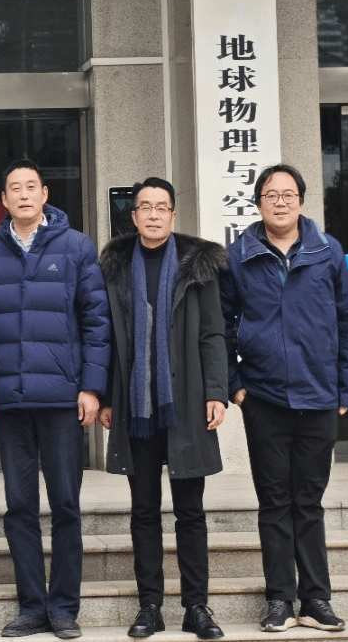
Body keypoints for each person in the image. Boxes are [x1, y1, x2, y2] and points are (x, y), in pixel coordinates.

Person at [0, 159, 111, 639]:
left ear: (45, 194)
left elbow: (96, 321)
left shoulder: (76, 247)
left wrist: (91, 387)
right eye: (15, 188)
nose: (24, 194)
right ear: (4, 200)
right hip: (9, 401)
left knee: (66, 504)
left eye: (31, 186)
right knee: (19, 507)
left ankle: (64, 608)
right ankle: (32, 606)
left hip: (61, 399)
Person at [220, 164, 348, 634]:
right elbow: (222, 323)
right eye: (270, 195)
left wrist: (344, 387)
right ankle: (279, 598)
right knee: (274, 501)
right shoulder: (239, 255)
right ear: (258, 202)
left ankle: (316, 599)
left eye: (288, 194)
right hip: (264, 398)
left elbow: (347, 321)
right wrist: (235, 382)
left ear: (301, 200)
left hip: (320, 396)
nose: (280, 202)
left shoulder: (327, 251)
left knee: (309, 502)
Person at [96, 178, 228, 640]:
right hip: (137, 406)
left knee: (190, 511)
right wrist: (106, 396)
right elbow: (106, 336)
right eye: (145, 207)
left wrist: (216, 391)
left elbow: (213, 333)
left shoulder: (197, 266)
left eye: (161, 207)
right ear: (133, 216)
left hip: (186, 401)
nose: (153, 215)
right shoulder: (115, 268)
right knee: (144, 511)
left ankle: (197, 607)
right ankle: (150, 605)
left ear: (173, 215)